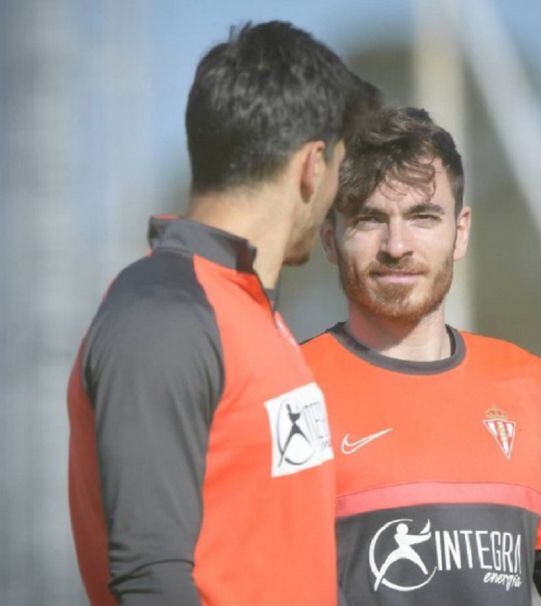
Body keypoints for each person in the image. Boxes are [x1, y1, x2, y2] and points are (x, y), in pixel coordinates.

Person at [67, 22, 378, 606]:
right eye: (341, 166)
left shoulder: (252, 312)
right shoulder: (164, 316)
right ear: (314, 165)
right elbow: (150, 580)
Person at [302, 107, 541, 605]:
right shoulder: (287, 390)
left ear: (461, 231)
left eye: (422, 217)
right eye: (369, 219)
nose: (397, 245)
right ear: (329, 239)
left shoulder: (530, 386)